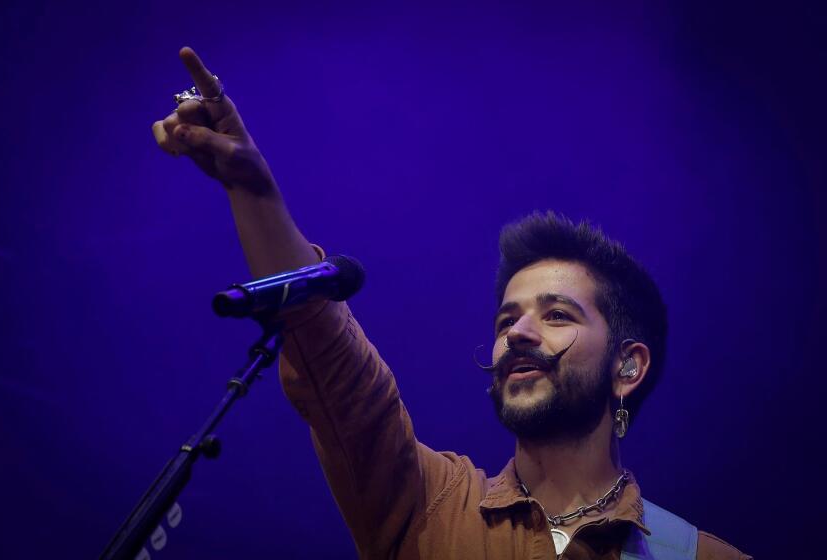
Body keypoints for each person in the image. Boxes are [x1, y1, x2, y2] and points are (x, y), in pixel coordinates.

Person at [152, 47, 751, 560]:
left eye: (557, 314)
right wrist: (253, 190)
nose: (518, 333)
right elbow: (340, 372)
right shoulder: (430, 506)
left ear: (628, 367)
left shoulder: (698, 555)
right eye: (506, 318)